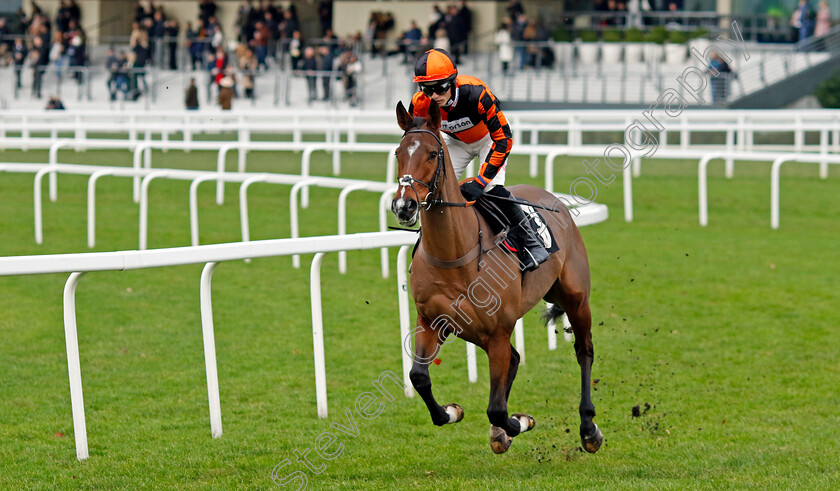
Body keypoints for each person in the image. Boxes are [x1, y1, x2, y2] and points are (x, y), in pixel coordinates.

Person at [407, 48, 549, 271]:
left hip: (489, 140)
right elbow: (418, 141)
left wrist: (481, 181)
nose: (433, 96)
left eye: (440, 88)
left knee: (492, 188)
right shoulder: (419, 103)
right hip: (456, 143)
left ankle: (531, 240)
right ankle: (427, 246)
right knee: (434, 187)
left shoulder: (477, 93)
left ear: (453, 81)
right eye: (426, 89)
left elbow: (504, 139)